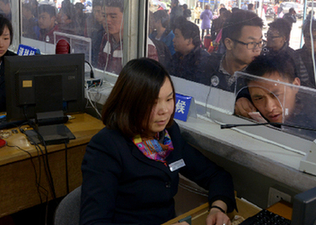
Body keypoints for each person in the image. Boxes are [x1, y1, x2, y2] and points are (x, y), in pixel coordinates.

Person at [80, 58, 236, 225]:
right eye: (153, 103)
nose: (165, 111)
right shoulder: (106, 147)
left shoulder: (168, 134)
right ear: (130, 104)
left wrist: (218, 208)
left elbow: (216, 175)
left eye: (169, 99)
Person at [199, 10, 263, 91]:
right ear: (229, 43)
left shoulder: (262, 78)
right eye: (251, 43)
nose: (257, 49)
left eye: (260, 42)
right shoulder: (206, 66)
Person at [263, 18, 310, 87]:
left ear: (284, 38)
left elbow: (304, 82)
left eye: (272, 37)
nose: (268, 39)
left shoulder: (293, 57)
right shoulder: (263, 52)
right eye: (267, 35)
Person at [170, 16, 210, 82]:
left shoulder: (203, 61)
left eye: (177, 36)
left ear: (189, 41)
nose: (173, 40)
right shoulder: (176, 56)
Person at [97, 0, 126, 74]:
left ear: (127, 16)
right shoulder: (105, 39)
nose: (107, 21)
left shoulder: (143, 45)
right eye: (104, 16)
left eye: (113, 17)